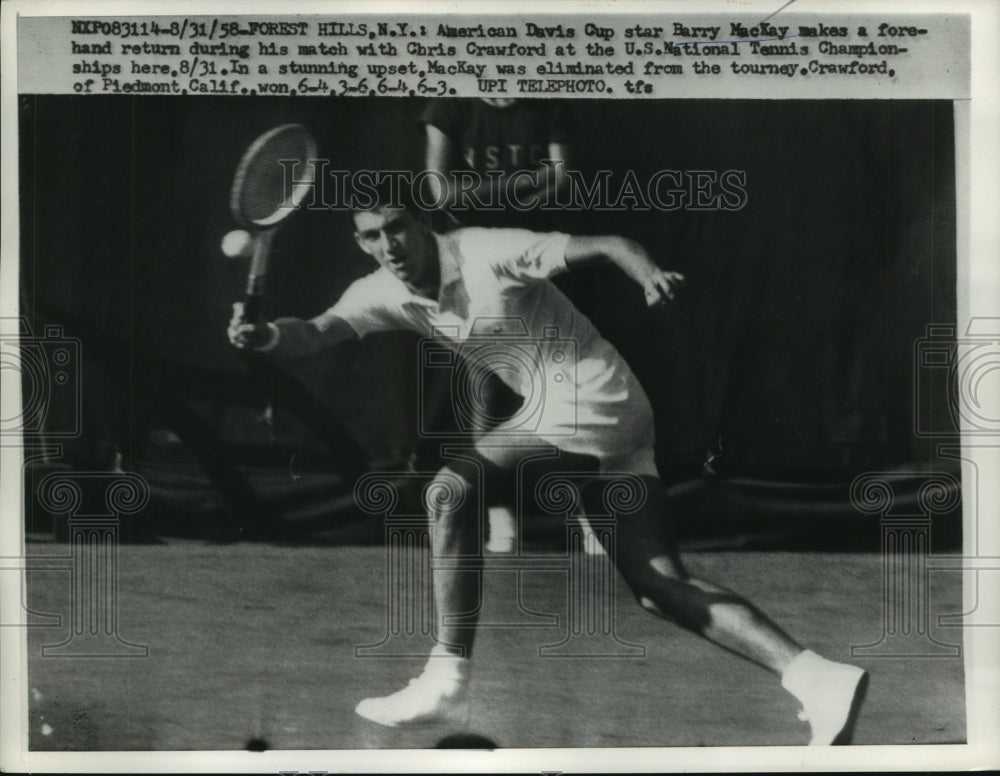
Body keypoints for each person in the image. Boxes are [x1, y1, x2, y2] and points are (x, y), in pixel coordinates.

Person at [227, 184, 868, 745]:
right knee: (659, 586)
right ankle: (818, 678)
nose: (388, 244)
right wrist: (268, 337)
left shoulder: (488, 250)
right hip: (607, 416)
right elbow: (316, 332)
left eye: (397, 226)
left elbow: (610, 241)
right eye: (372, 235)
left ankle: (446, 674)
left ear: (424, 225)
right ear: (362, 243)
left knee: (448, 495)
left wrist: (645, 274)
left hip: (591, 395)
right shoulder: (382, 291)